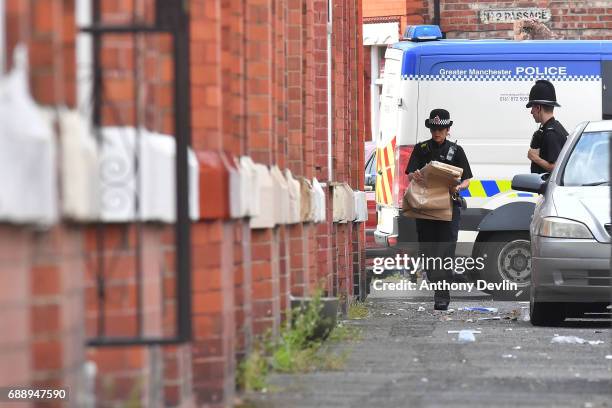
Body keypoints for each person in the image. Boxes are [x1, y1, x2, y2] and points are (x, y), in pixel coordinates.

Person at [405, 109, 472, 311]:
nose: (437, 133)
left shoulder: (456, 151)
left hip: (449, 208)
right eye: (434, 129)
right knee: (428, 251)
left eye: (441, 129)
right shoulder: (421, 149)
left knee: (445, 251)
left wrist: (459, 187)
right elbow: (410, 174)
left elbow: (467, 179)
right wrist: (414, 175)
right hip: (425, 209)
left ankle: (442, 296)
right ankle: (436, 284)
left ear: (448, 129)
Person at [526, 80, 568, 173]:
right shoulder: (553, 127)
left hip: (548, 187)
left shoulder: (551, 134)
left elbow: (557, 168)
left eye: (532, 107)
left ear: (538, 108)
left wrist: (534, 157)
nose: (531, 112)